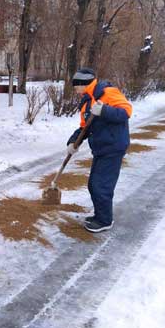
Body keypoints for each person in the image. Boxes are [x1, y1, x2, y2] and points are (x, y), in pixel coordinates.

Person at [67, 68, 132, 233]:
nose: (75, 91)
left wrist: (104, 110)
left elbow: (126, 112)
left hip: (113, 146)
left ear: (83, 84)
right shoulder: (87, 101)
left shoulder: (108, 92)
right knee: (93, 184)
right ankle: (99, 215)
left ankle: (104, 220)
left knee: (101, 186)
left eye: (76, 87)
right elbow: (84, 127)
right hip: (101, 147)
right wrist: (74, 142)